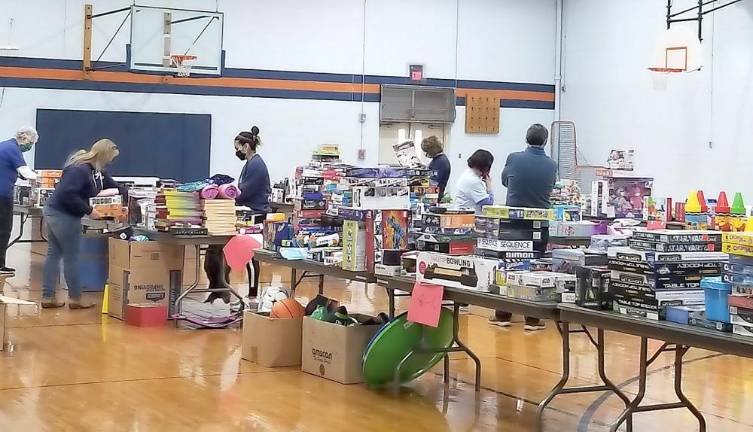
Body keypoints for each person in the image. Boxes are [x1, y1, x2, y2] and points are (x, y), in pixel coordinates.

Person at [42, 139, 123, 309]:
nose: (111, 162)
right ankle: (75, 299)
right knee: (71, 257)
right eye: (110, 158)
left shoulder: (97, 171)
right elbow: (68, 194)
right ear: (104, 155)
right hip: (63, 214)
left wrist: (126, 196)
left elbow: (114, 186)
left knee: (54, 254)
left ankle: (48, 297)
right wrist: (89, 210)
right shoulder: (81, 170)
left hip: (55, 210)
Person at [491, 123, 557, 331]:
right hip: (540, 222)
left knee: (508, 265)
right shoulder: (551, 164)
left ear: (526, 139)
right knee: (534, 267)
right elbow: (552, 186)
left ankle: (503, 314)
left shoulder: (513, 158)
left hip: (514, 221)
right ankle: (532, 319)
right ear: (545, 141)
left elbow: (504, 181)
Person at [205, 126, 270, 305]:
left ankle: (252, 295)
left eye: (238, 148)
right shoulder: (249, 164)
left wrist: (226, 191)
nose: (237, 151)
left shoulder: (256, 165)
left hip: (255, 218)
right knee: (214, 250)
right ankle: (219, 289)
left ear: (246, 146)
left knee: (247, 254)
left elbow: (244, 193)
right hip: (244, 215)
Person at [0, 127, 39, 273]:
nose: (30, 146)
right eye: (31, 142)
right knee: (3, 229)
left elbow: (16, 171)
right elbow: (24, 171)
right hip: (2, 195)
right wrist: (41, 178)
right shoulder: (13, 148)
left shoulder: (5, 145)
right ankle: (0, 265)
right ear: (24, 137)